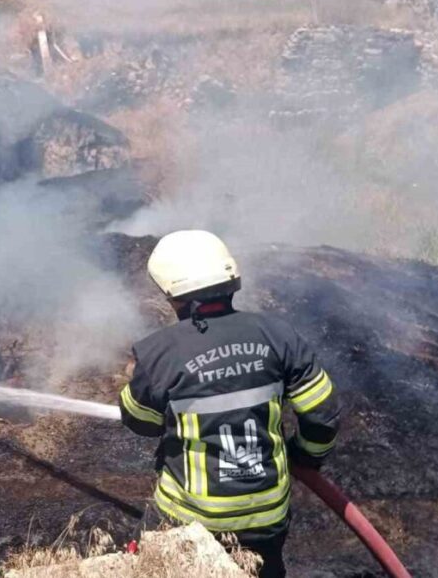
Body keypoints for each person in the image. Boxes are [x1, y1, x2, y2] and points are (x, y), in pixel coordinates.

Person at [118, 230, 342, 578]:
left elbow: (139, 420)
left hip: (189, 519)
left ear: (171, 292)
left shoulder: (160, 352)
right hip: (266, 517)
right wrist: (306, 456)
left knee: (148, 563)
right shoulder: (278, 334)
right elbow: (323, 411)